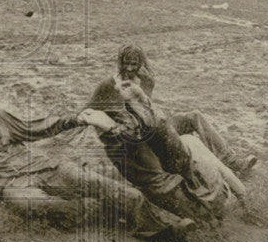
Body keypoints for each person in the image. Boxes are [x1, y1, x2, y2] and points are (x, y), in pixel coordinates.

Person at [0, 84, 196, 242]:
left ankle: (166, 226)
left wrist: (74, 119)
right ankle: (95, 211)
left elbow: (38, 127)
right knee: (31, 204)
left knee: (94, 182)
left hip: (45, 168)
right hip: (12, 186)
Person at [84, 76, 245, 224]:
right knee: (172, 162)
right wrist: (244, 199)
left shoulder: (133, 148)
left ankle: (179, 224)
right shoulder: (188, 142)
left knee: (153, 184)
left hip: (190, 205)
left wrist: (110, 128)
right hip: (218, 197)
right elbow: (229, 177)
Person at [106, 44, 256, 176]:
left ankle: (229, 160)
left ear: (141, 63)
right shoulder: (115, 82)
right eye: (127, 64)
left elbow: (147, 106)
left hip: (156, 123)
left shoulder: (145, 78)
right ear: (121, 62)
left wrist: (145, 85)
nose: (130, 68)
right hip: (141, 133)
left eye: (134, 64)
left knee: (194, 116)